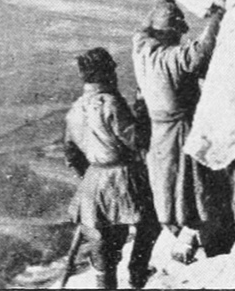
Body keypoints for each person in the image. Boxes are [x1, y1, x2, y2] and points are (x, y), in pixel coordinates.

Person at [132, 0, 233, 263]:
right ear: (171, 33)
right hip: (182, 132)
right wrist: (217, 16)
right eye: (178, 31)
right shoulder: (171, 59)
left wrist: (166, 1)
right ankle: (194, 243)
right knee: (197, 190)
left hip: (159, 135)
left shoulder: (141, 49)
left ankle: (185, 237)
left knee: (169, 189)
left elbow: (144, 27)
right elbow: (201, 51)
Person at [63, 48, 160, 290]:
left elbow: (71, 153)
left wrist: (89, 178)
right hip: (122, 176)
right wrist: (141, 109)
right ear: (108, 73)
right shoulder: (111, 103)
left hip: (94, 178)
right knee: (150, 223)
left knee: (105, 243)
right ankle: (137, 274)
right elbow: (137, 140)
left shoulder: (75, 108)